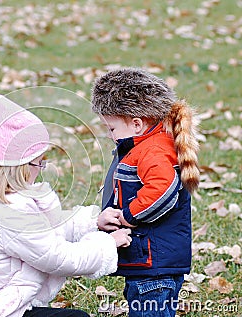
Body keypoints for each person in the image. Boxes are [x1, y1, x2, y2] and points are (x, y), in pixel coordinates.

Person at [0, 94, 132, 317]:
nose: (42, 167)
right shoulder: (10, 214)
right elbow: (59, 257)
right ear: (17, 166)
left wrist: (93, 223)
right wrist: (106, 244)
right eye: (38, 162)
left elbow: (48, 229)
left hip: (4, 307)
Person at [91, 67, 200, 317]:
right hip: (147, 261)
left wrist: (128, 216)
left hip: (155, 264)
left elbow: (161, 192)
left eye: (112, 129)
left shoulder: (152, 151)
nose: (110, 136)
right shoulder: (141, 147)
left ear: (137, 123)